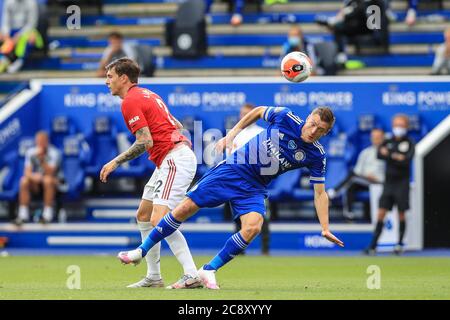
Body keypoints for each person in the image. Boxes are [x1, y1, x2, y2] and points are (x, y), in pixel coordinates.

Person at [117, 106, 345, 289]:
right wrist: (232, 134)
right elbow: (256, 111)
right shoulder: (286, 118)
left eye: (321, 130)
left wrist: (324, 227)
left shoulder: (316, 155)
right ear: (308, 119)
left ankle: (208, 270)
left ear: (326, 133)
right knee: (184, 209)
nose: (314, 130)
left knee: (254, 226)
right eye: (313, 124)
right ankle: (141, 251)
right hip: (233, 169)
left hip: (255, 187)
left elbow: (320, 192)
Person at [100, 58, 202, 289]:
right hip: (169, 158)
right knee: (144, 215)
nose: (107, 81)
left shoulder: (129, 101)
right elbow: (176, 124)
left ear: (124, 78)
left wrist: (115, 162)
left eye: (110, 77)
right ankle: (154, 277)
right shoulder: (149, 94)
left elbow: (145, 141)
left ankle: (191, 274)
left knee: (160, 219)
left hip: (175, 159)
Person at [223, 103, 271, 255]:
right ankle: (239, 251)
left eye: (246, 113)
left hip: (256, 180)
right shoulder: (233, 133)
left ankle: (265, 250)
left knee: (261, 214)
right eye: (241, 113)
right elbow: (229, 156)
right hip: (236, 179)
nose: (243, 116)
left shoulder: (262, 133)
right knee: (238, 215)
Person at [364, 114, 415, 256]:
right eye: (396, 125)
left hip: (402, 183)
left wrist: (390, 154)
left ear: (406, 126)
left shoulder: (409, 142)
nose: (398, 128)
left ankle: (399, 244)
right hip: (389, 183)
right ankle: (373, 246)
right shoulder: (388, 140)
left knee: (401, 214)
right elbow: (380, 154)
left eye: (401, 125)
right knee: (381, 213)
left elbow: (406, 160)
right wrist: (396, 155)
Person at [327, 128, 385, 221]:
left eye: (378, 137)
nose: (375, 139)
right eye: (373, 137)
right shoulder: (366, 152)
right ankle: (348, 214)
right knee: (351, 184)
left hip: (380, 182)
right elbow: (358, 171)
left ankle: (332, 193)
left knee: (352, 177)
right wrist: (367, 175)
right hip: (365, 180)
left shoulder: (387, 152)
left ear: (383, 138)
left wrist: (377, 177)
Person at [16, 131, 61, 225]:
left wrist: (41, 159)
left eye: (42, 141)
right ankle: (22, 215)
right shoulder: (30, 152)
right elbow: (27, 172)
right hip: (35, 183)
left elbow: (51, 172)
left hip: (51, 183)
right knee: (24, 181)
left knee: (47, 180)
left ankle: (47, 215)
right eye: (38, 141)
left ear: (47, 141)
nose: (40, 143)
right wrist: (33, 177)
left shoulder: (54, 152)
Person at [0, 0, 44, 73]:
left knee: (30, 37)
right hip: (11, 31)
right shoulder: (8, 2)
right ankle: (3, 60)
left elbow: (32, 23)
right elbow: (5, 22)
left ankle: (19, 61)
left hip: (26, 31)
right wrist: (6, 34)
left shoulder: (31, 3)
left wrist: (19, 35)